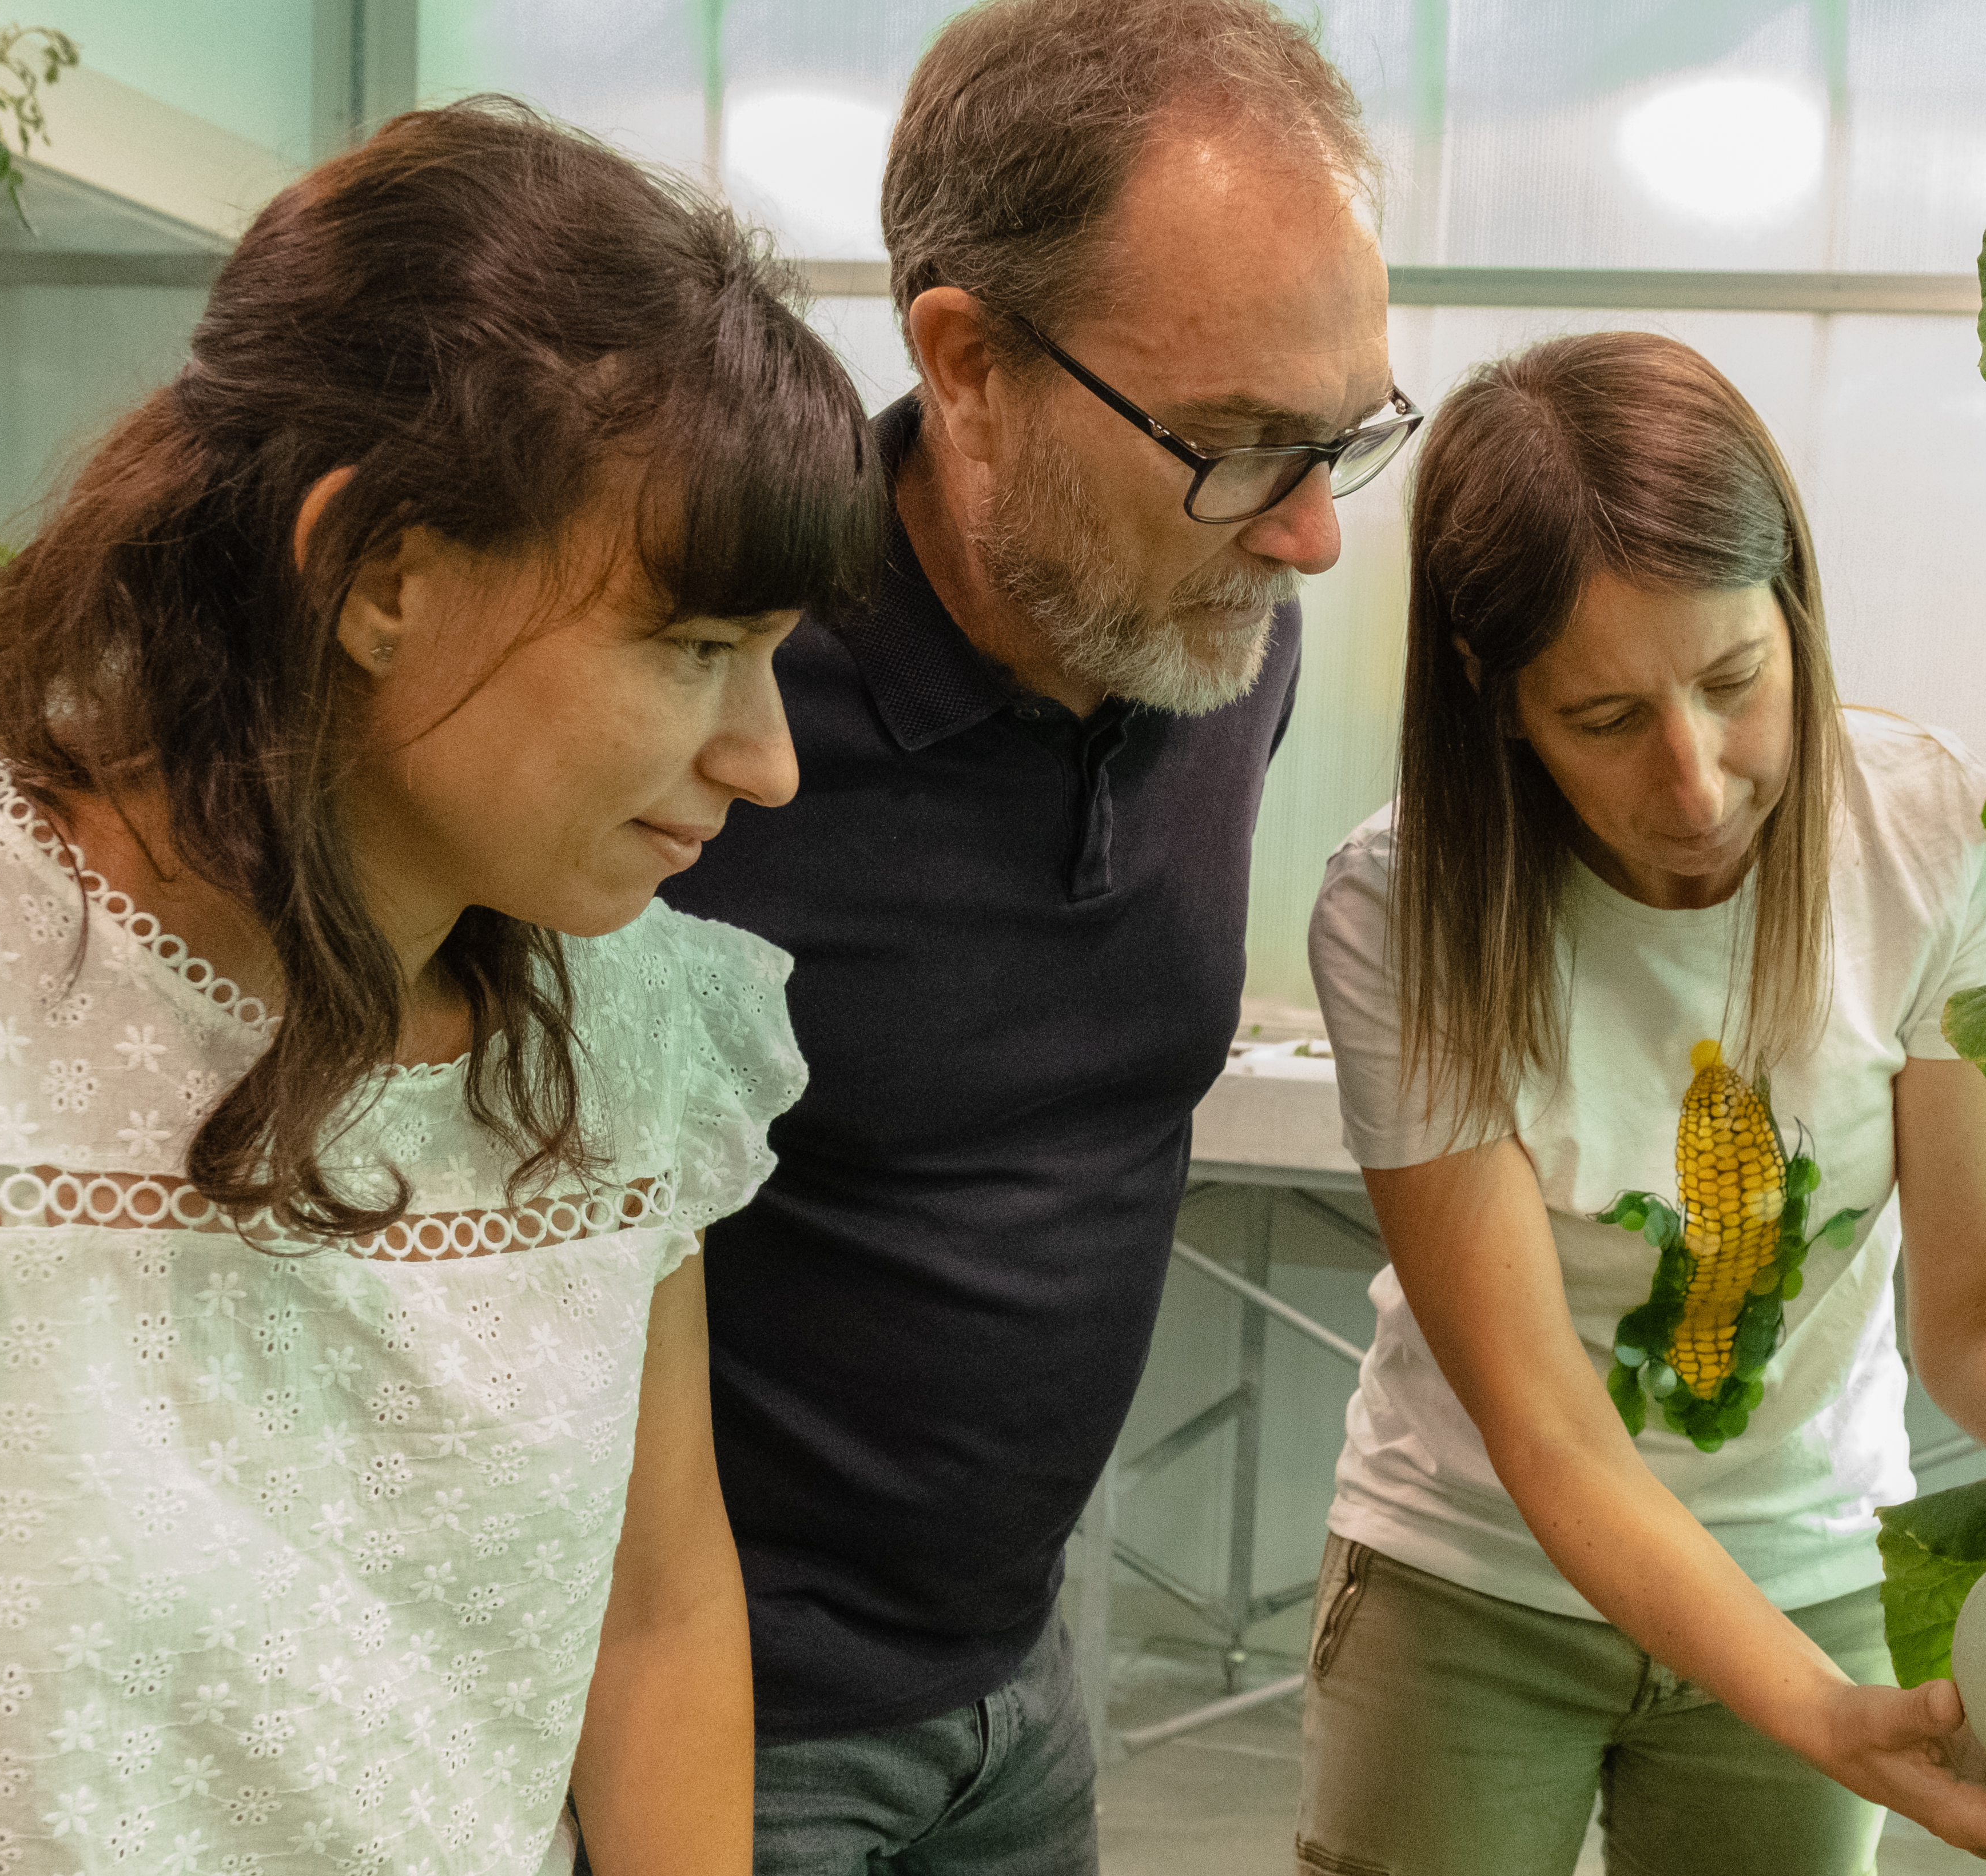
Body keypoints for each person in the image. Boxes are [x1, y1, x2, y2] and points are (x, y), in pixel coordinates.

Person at [0, 103, 876, 1873]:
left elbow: (653, 1613)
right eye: (696, 647)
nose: (768, 758)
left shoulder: (632, 1029)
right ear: (384, 574)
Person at [1296, 330, 1986, 1875]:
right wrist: (1825, 1718)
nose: (1695, 782)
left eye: (1732, 683)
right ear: (1497, 703)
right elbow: (1549, 1430)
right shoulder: (1401, 907)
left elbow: (1980, 1313)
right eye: (1605, 720)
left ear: (1794, 616)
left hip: (1808, 1570)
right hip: (1471, 1583)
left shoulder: (1926, 839)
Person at [652, 1, 1409, 1867]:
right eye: (1235, 443)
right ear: (967, 362)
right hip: (732, 1716)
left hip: (1022, 1683)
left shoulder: (1220, 632)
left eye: (1344, 436)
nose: (1311, 536)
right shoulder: (715, 701)